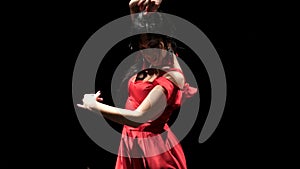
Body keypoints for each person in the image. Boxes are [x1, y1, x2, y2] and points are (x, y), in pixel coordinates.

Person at [77, 0, 197, 168]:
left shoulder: (172, 77)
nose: (149, 52)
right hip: (132, 143)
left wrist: (94, 107)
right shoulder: (150, 59)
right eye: (144, 47)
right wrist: (133, 9)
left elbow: (139, 118)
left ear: (167, 41)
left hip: (154, 151)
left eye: (154, 45)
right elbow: (144, 34)